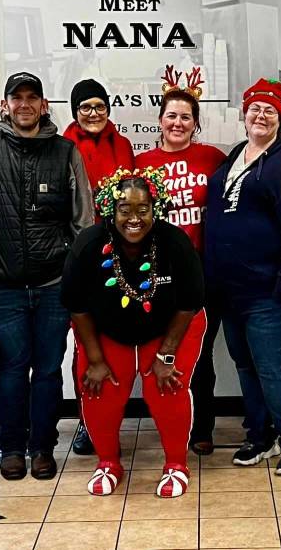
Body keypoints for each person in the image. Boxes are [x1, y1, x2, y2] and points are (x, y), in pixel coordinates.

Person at [0, 72, 94, 481]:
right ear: (4, 105)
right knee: (11, 365)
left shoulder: (65, 151)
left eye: (32, 97)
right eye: (16, 97)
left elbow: (83, 220)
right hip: (1, 284)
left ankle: (42, 446)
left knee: (46, 368)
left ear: (44, 105)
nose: (24, 104)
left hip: (52, 284)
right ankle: (11, 447)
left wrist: (75, 275)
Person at [204, 78, 281, 477]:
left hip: (271, 291)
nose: (260, 115)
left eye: (270, 110)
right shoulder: (237, 154)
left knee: (276, 368)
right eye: (254, 108)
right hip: (229, 290)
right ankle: (259, 434)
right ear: (244, 113)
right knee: (246, 365)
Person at [62, 167, 207, 497]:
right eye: (124, 209)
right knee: (99, 389)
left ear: (155, 209)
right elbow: (77, 306)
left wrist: (166, 354)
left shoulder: (175, 243)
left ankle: (175, 464)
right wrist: (96, 360)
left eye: (143, 210)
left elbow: (189, 302)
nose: (134, 219)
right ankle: (108, 463)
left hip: (172, 325)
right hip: (106, 329)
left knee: (166, 385)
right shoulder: (88, 244)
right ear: (110, 210)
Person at [135, 71, 226, 455]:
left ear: (196, 123)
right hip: (157, 276)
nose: (178, 123)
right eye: (171, 116)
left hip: (204, 273)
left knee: (201, 356)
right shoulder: (141, 163)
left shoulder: (213, 158)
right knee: (161, 352)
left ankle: (201, 428)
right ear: (160, 120)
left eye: (186, 117)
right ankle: (170, 425)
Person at [62, 77, 135, 455]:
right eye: (85, 107)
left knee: (117, 338)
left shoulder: (122, 144)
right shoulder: (63, 145)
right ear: (75, 112)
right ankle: (88, 422)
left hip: (122, 254)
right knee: (85, 343)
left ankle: (113, 417)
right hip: (82, 254)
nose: (93, 114)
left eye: (100, 107)